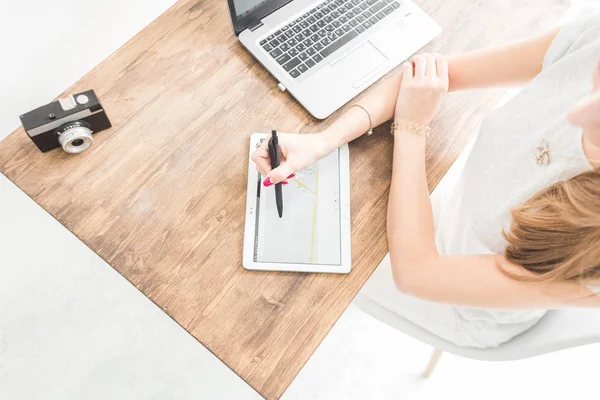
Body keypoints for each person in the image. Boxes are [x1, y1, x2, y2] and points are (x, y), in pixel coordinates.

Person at [252, 10, 600, 347]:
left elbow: (416, 274)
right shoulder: (594, 37)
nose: (577, 111)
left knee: (285, 269)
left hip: (459, 304)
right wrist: (324, 140)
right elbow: (428, 76)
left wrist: (411, 128)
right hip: (450, 211)